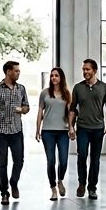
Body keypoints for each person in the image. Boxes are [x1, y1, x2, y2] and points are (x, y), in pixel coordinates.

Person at [0, 60, 30, 206]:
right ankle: (4, 192)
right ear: (8, 71)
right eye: (16, 71)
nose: (18, 73)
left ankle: (14, 182)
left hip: (16, 131)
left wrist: (22, 109)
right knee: (2, 163)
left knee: (19, 160)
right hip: (1, 132)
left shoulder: (21, 89)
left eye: (18, 71)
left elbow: (26, 107)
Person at [69, 58, 106, 199]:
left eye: (87, 69)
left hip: (98, 129)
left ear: (94, 70)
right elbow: (72, 109)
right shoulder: (78, 87)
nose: (85, 72)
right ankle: (82, 183)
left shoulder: (104, 87)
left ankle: (92, 187)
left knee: (95, 159)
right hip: (82, 127)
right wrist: (71, 127)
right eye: (83, 69)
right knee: (82, 156)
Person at [37, 66, 72, 201]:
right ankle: (53, 189)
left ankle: (60, 181)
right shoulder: (45, 93)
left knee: (63, 161)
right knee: (51, 161)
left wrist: (71, 128)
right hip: (48, 132)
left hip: (63, 132)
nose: (53, 78)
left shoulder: (67, 94)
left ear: (61, 77)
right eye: (52, 76)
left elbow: (70, 113)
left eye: (56, 75)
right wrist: (37, 129)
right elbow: (40, 112)